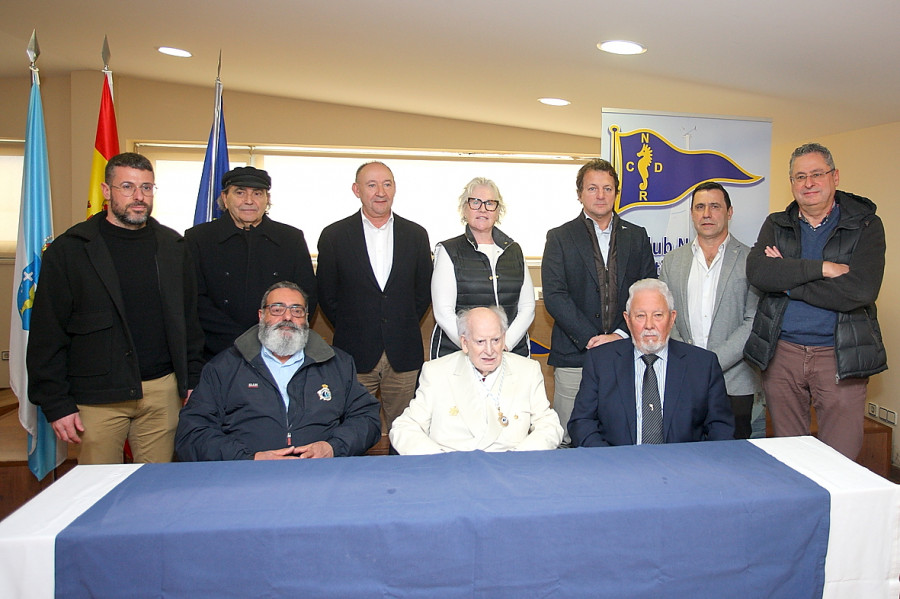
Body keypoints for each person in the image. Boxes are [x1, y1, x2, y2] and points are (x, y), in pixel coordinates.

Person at [26, 152, 204, 464]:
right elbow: (47, 333)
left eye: (147, 188)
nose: (139, 197)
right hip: (98, 397)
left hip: (162, 392)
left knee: (153, 490)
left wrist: (190, 380)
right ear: (106, 191)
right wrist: (56, 403)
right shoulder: (70, 251)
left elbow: (188, 321)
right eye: (127, 187)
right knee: (99, 492)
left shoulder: (173, 247)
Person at [744, 143, 887, 459]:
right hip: (782, 355)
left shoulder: (865, 225)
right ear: (792, 183)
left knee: (841, 460)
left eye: (816, 174)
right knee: (790, 458)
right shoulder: (777, 224)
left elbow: (859, 291)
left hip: (838, 357)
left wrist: (789, 284)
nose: (808, 183)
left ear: (834, 177)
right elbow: (759, 272)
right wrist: (822, 269)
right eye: (799, 177)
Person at [175, 281, 380, 460]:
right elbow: (192, 432)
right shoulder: (224, 368)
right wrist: (248, 458)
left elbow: (367, 419)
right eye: (277, 309)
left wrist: (332, 448)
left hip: (322, 473)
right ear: (261, 315)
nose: (288, 317)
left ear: (306, 319)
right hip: (246, 478)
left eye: (297, 310)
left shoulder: (337, 364)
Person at [542, 158, 657, 445]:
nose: (601, 195)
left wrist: (618, 335)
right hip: (575, 353)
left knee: (620, 434)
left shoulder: (637, 236)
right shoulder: (559, 237)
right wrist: (593, 339)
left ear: (617, 193)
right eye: (592, 188)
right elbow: (555, 295)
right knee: (569, 436)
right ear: (579, 193)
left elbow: (648, 290)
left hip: (626, 351)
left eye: (607, 188)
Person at [316, 161, 432, 434]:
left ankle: (403, 478)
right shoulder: (334, 236)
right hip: (354, 352)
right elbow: (327, 294)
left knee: (405, 430)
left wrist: (398, 322)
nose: (380, 191)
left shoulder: (416, 235)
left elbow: (422, 291)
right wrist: (353, 323)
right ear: (357, 190)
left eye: (387, 184)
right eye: (372, 185)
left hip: (403, 352)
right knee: (352, 430)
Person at [569, 279, 734, 447]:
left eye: (658, 315)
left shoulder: (702, 365)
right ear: (627, 319)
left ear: (672, 318)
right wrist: (611, 461)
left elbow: (721, 428)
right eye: (640, 316)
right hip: (618, 465)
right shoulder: (600, 361)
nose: (649, 325)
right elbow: (582, 422)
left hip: (683, 466)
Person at [659, 181, 761, 439]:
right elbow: (665, 317)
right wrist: (692, 363)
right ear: (692, 213)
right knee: (685, 458)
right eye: (700, 207)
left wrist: (711, 362)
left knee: (733, 462)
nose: (707, 214)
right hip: (684, 379)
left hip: (735, 382)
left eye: (715, 206)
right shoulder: (672, 261)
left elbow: (753, 321)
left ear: (729, 212)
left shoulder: (751, 260)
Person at [184, 166, 318, 361]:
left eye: (257, 193)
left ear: (267, 199)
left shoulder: (290, 238)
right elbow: (194, 299)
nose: (249, 201)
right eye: (240, 193)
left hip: (277, 349)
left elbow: (306, 296)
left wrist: (273, 337)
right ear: (224, 197)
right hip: (215, 350)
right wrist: (241, 340)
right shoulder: (198, 238)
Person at [390, 307, 563, 454]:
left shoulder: (527, 370)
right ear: (464, 343)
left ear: (504, 338)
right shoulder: (437, 372)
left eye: (495, 340)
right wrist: (438, 460)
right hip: (452, 469)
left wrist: (520, 458)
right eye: (480, 342)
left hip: (510, 468)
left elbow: (549, 425)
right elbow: (404, 428)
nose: (489, 350)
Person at [430, 177, 535, 358]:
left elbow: (527, 307)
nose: (482, 209)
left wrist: (503, 345)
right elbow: (443, 312)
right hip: (459, 353)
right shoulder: (449, 250)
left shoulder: (513, 250)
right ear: (464, 208)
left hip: (510, 353)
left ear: (498, 210)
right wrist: (474, 348)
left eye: (490, 203)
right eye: (475, 202)